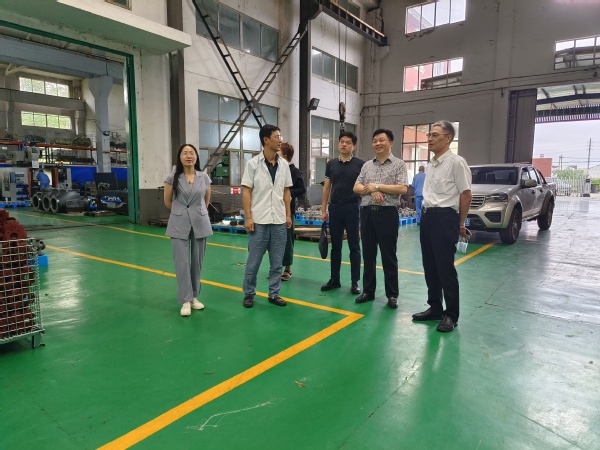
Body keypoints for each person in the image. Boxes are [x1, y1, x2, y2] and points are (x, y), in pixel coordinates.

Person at [412, 121, 472, 332]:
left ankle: (451, 315)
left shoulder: (457, 163)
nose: (430, 138)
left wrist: (460, 223)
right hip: (427, 217)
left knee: (445, 268)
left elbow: (466, 194)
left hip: (445, 217)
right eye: (429, 135)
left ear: (448, 138)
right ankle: (435, 308)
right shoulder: (432, 164)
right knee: (430, 266)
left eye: (435, 135)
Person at [353, 129, 408, 309]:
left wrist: (377, 186)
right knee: (368, 254)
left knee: (388, 255)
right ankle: (368, 291)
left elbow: (402, 188)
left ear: (390, 143)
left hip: (387, 214)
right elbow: (356, 187)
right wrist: (372, 191)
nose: (377, 143)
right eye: (375, 140)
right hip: (367, 213)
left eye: (381, 140)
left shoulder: (399, 164)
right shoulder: (367, 165)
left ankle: (392, 294)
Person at [241, 124, 293, 308]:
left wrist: (288, 214)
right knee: (253, 261)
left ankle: (274, 293)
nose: (280, 140)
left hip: (279, 220)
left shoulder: (284, 165)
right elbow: (246, 191)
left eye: (280, 136)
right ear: (266, 140)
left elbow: (286, 191)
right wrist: (248, 217)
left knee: (277, 262)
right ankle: (249, 294)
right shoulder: (253, 164)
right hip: (259, 221)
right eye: (277, 137)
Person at [164, 144, 213, 317]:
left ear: (196, 157)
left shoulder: (204, 177)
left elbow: (206, 201)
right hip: (179, 222)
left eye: (192, 153)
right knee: (182, 262)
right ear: (180, 157)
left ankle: (193, 297)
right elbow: (167, 202)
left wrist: (196, 212)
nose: (188, 156)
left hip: (200, 221)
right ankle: (185, 299)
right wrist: (182, 212)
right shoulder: (172, 178)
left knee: (197, 262)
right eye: (185, 153)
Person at [320, 131, 364, 295]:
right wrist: (323, 209)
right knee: (336, 246)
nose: (344, 144)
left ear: (353, 146)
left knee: (354, 246)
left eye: (348, 142)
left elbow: (364, 187)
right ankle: (335, 279)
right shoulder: (331, 164)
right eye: (342, 142)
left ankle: (355, 282)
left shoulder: (360, 164)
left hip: (352, 207)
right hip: (335, 208)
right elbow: (326, 188)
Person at [279, 142, 306, 281]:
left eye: (278, 153)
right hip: (274, 211)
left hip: (287, 212)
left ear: (284, 155)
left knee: (287, 240)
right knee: (275, 241)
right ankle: (276, 268)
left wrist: (288, 193)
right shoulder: (275, 170)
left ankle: (287, 269)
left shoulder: (294, 172)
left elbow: (302, 189)